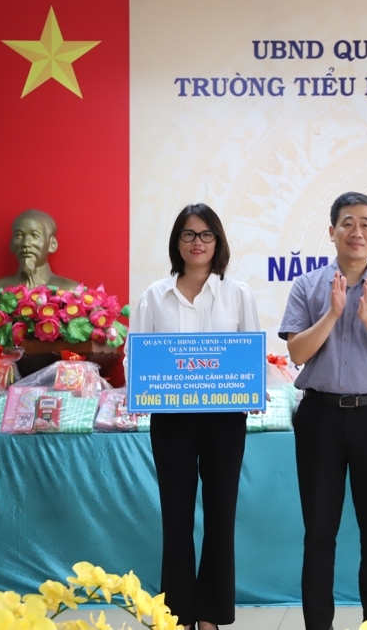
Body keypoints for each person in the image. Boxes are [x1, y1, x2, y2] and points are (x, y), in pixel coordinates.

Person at [279, 191, 367, 630]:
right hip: (319, 418)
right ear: (332, 232)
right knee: (319, 532)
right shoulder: (307, 286)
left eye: (365, 224)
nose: (356, 231)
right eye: (347, 223)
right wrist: (332, 314)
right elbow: (297, 352)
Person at [129, 203, 260, 630]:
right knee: (176, 516)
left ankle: (211, 616)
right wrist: (143, 386)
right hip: (172, 420)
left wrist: (252, 386)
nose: (197, 242)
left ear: (217, 242)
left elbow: (250, 354)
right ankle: (178, 615)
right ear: (177, 242)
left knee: (221, 516)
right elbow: (135, 356)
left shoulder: (238, 294)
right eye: (188, 234)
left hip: (225, 419)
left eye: (206, 234)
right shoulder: (154, 296)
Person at [0, 209, 79, 290]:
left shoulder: (71, 291)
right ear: (12, 244)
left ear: (52, 244)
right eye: (19, 235)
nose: (25, 243)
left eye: (34, 235)